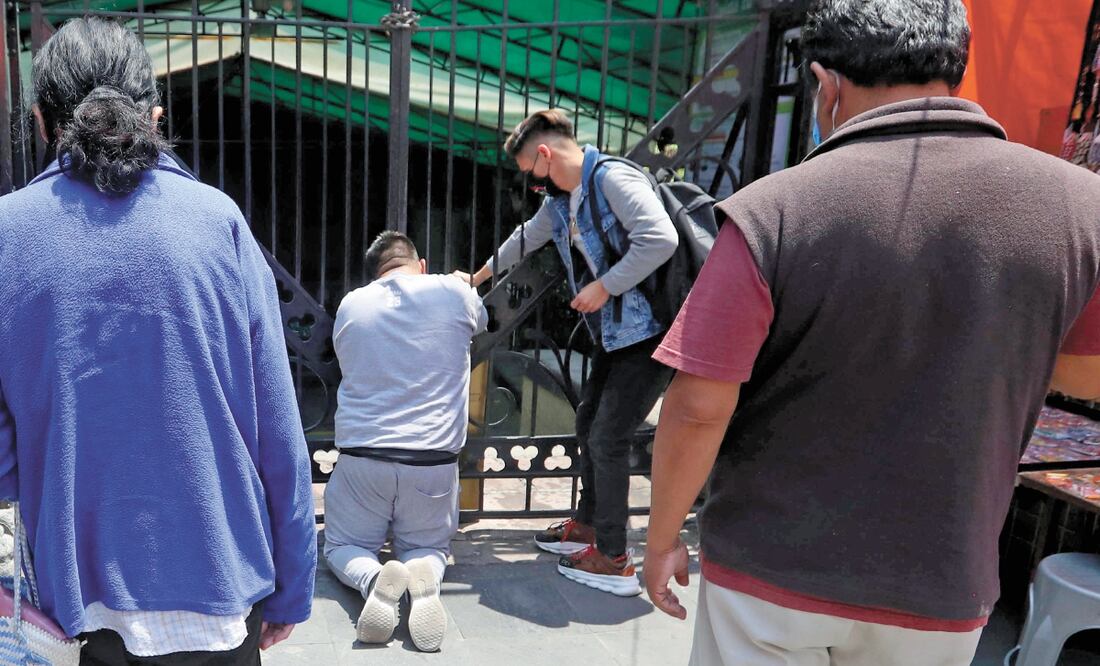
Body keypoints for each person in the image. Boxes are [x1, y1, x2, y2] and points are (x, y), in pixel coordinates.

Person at [642, 0, 1100, 664]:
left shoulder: (772, 211)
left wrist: (661, 541)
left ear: (827, 86)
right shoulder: (1079, 207)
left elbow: (697, 405)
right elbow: (1087, 373)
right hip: (940, 582)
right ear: (956, 67)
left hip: (771, 572)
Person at [0, 17, 317, 664]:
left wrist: (48, 461)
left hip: (76, 610)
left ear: (39, 121)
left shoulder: (8, 236)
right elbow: (276, 428)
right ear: (155, 113)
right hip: (224, 591)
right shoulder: (218, 220)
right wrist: (294, 586)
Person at [453, 110, 678, 597]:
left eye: (530, 170)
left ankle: (615, 559)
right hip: (614, 336)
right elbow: (526, 240)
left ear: (546, 155)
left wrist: (604, 286)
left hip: (650, 332)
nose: (531, 182)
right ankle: (589, 525)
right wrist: (476, 278)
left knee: (609, 437)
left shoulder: (611, 179)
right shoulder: (561, 200)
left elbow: (661, 238)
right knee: (589, 425)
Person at [324, 231, 487, 652]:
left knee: (344, 545)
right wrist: (461, 283)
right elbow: (482, 322)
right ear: (422, 264)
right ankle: (424, 583)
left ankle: (375, 580)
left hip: (364, 458)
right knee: (428, 546)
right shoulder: (454, 292)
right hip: (432, 462)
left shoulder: (352, 304)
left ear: (374, 272)